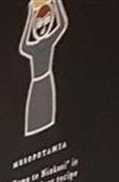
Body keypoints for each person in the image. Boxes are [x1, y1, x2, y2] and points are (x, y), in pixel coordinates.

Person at [19, 0, 69, 136]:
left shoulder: (49, 41)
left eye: (46, 21)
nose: (42, 26)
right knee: (34, 119)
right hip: (35, 84)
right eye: (39, 23)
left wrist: (57, 3)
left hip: (46, 80)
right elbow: (23, 46)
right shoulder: (34, 48)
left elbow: (61, 25)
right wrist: (31, 15)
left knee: (46, 113)